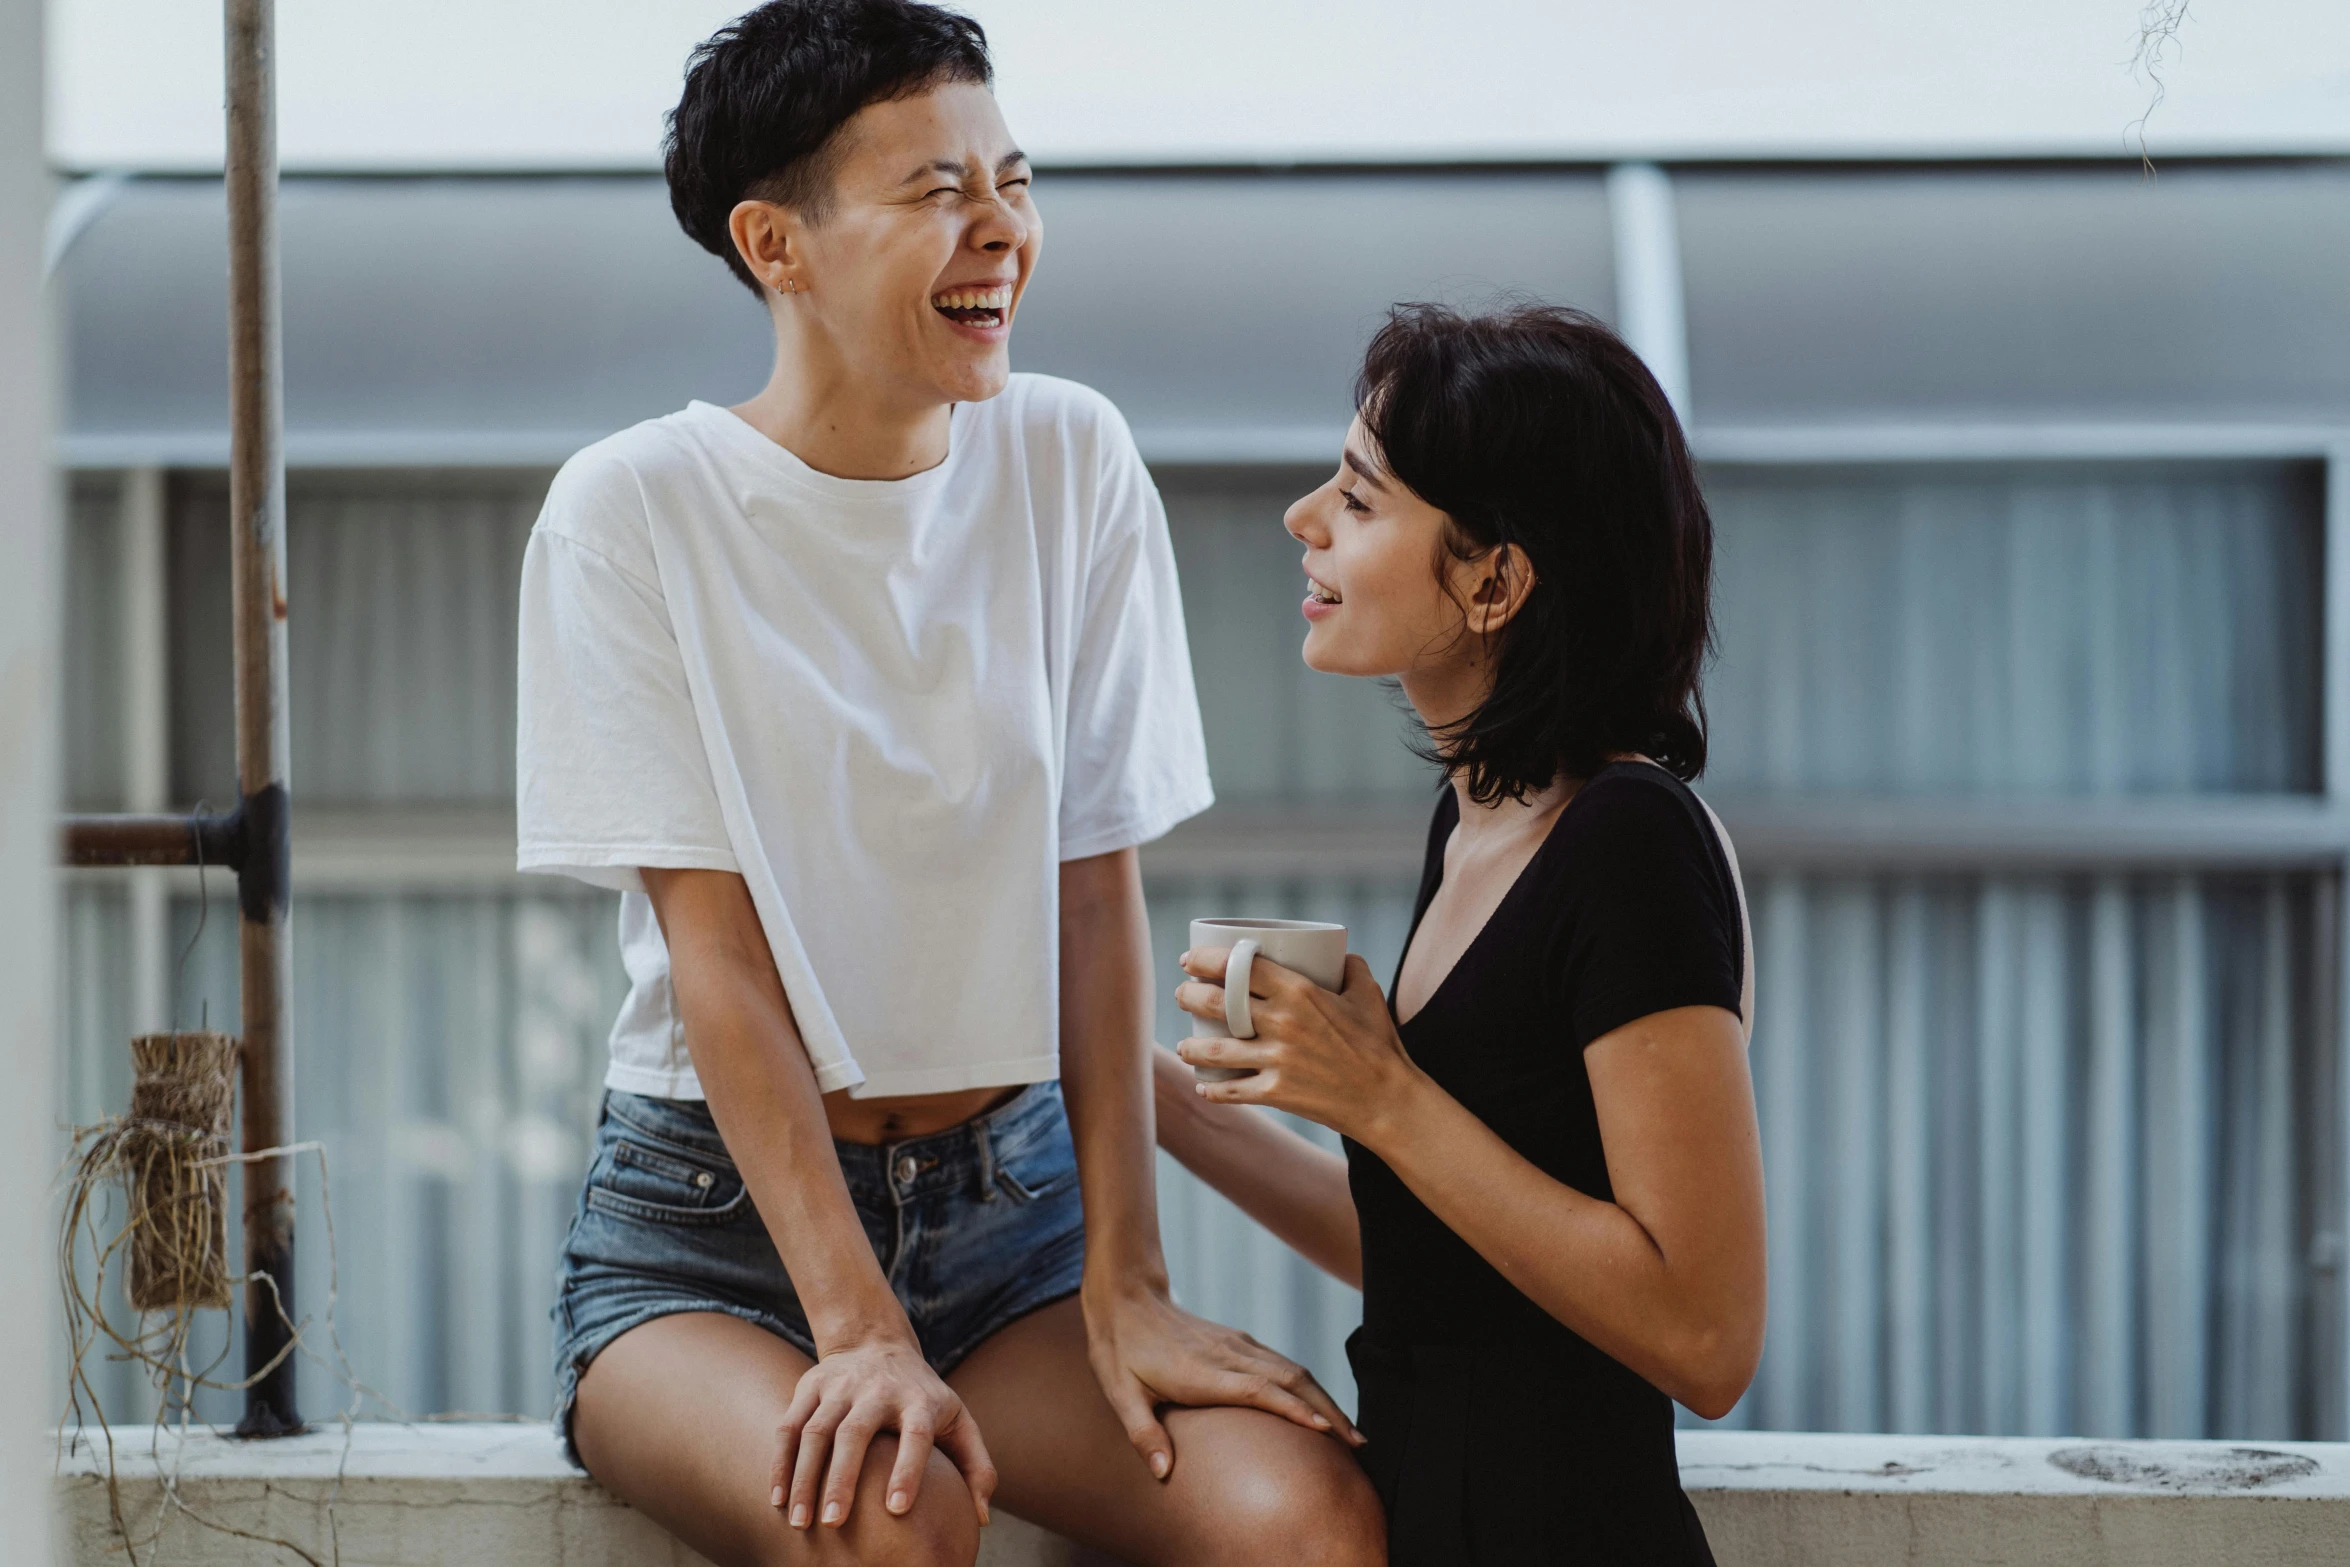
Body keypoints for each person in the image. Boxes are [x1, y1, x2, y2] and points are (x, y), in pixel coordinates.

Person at [515, 4, 1385, 1564]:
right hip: (712, 1240)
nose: (1001, 232)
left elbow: (1093, 899)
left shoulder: (1070, 457)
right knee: (895, 1523)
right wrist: (855, 1325)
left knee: (1307, 1515)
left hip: (1021, 1224)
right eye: (935, 193)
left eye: (1016, 181)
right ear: (775, 242)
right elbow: (717, 959)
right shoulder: (631, 509)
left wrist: (1127, 1274)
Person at [1157, 303, 1767, 1564]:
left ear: (1495, 578)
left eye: (1362, 501)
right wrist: (1156, 1098)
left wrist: (1383, 1098)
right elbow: (1438, 1263)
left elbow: (1707, 1336)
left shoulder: (1628, 844)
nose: (1303, 520)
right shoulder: (1476, 818)